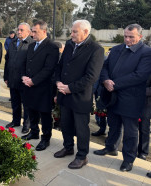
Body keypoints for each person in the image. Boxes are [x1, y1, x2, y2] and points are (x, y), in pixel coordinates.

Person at [94, 24, 151, 172]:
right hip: (113, 96)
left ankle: (128, 159)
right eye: (125, 36)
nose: (127, 39)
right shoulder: (117, 49)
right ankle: (111, 148)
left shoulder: (146, 52)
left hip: (131, 98)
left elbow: (140, 75)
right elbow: (104, 67)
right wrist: (106, 80)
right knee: (113, 125)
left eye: (131, 37)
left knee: (130, 132)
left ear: (140, 37)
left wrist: (115, 84)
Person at [54, 19, 104, 169]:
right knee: (66, 124)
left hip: (80, 97)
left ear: (86, 32)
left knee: (81, 128)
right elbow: (60, 66)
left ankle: (82, 156)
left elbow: (91, 77)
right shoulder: (69, 44)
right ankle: (68, 147)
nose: (71, 34)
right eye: (72, 31)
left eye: (75, 31)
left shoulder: (96, 49)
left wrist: (70, 88)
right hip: (64, 93)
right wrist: (58, 83)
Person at [20, 21, 59, 152]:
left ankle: (46, 138)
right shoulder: (32, 46)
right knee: (31, 110)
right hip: (29, 86)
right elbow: (26, 64)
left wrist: (33, 81)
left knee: (45, 114)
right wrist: (24, 77)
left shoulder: (52, 47)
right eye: (32, 31)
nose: (32, 33)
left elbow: (49, 69)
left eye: (35, 31)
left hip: (43, 87)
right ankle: (34, 131)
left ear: (44, 31)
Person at [4, 22, 34, 133]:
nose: (19, 32)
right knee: (15, 102)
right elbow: (7, 60)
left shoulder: (31, 44)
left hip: (24, 80)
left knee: (26, 104)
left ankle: (26, 124)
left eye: (21, 30)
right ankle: (15, 121)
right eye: (18, 30)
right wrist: (6, 76)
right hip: (12, 78)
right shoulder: (13, 42)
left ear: (28, 32)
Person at [138, 74, 151, 160]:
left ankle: (143, 152)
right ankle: (133, 148)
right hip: (135, 99)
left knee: (144, 127)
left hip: (148, 102)